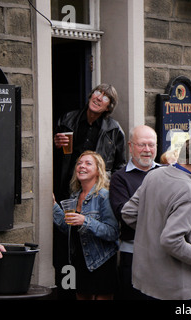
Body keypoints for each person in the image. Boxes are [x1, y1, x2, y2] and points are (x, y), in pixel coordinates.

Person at [121, 137, 191, 300]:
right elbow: (171, 240)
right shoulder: (189, 190)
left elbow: (128, 212)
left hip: (145, 281)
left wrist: (152, 231)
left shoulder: (154, 174)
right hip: (175, 287)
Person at [52, 84, 126, 298]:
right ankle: (69, 285)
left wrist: (103, 187)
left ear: (108, 107)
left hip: (96, 191)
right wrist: (55, 143)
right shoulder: (68, 118)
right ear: (90, 95)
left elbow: (120, 165)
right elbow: (48, 152)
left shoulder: (113, 129)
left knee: (92, 240)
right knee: (69, 239)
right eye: (97, 92)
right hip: (69, 190)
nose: (99, 97)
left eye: (105, 97)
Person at [53, 151, 119, 300]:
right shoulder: (74, 196)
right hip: (79, 259)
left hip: (102, 260)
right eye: (79, 163)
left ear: (98, 170)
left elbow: (112, 232)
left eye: (88, 163)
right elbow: (68, 228)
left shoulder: (104, 196)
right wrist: (53, 206)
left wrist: (85, 221)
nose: (82, 166)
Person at [109, 125, 160, 299]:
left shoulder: (166, 173)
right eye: (142, 145)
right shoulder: (120, 178)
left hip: (164, 254)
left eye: (151, 145)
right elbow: (125, 215)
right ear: (130, 147)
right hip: (133, 254)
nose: (147, 150)